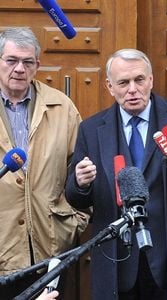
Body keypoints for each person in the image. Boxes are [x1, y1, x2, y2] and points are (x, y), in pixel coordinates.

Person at [65, 48, 167, 300]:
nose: (132, 89)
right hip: (116, 258)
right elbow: (76, 198)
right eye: (123, 83)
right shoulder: (91, 129)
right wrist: (80, 183)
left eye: (139, 80)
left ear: (151, 80)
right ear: (109, 86)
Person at [0, 27, 90, 299]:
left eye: (27, 62)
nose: (19, 69)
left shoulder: (61, 107)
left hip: (49, 247)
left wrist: (76, 221)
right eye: (11, 60)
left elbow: (80, 168)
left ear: (37, 65)